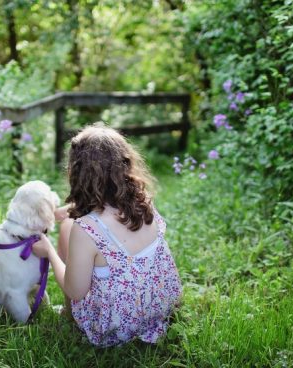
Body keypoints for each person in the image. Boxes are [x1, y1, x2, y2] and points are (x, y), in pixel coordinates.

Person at [31, 123, 182, 347]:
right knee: (71, 224)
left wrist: (50, 252)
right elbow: (108, 215)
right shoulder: (143, 202)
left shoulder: (85, 229)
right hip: (160, 307)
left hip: (116, 326)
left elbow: (76, 291)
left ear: (78, 172)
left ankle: (69, 313)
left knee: (67, 228)